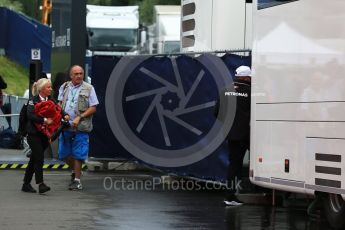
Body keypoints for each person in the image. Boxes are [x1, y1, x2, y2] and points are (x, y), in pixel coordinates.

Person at [58, 65, 99, 190]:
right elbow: (59, 103)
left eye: (81, 73)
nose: (79, 76)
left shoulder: (89, 88)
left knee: (79, 154)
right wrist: (62, 114)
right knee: (63, 154)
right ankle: (75, 171)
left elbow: (93, 107)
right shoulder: (64, 86)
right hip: (65, 126)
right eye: (76, 74)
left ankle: (77, 180)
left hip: (81, 127)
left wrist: (79, 117)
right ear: (71, 75)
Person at [22, 78, 61, 194]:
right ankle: (41, 184)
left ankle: (26, 184)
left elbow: (59, 109)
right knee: (39, 158)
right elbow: (30, 115)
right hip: (33, 134)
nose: (51, 89)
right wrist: (44, 120)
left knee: (34, 159)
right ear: (42, 89)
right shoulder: (32, 101)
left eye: (50, 87)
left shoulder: (51, 100)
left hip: (44, 134)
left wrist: (65, 115)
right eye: (48, 87)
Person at [223, 65, 251, 206]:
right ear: (246, 77)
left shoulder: (226, 89)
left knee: (234, 164)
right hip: (247, 135)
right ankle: (230, 196)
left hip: (231, 135)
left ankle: (231, 195)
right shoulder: (251, 91)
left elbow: (216, 111)